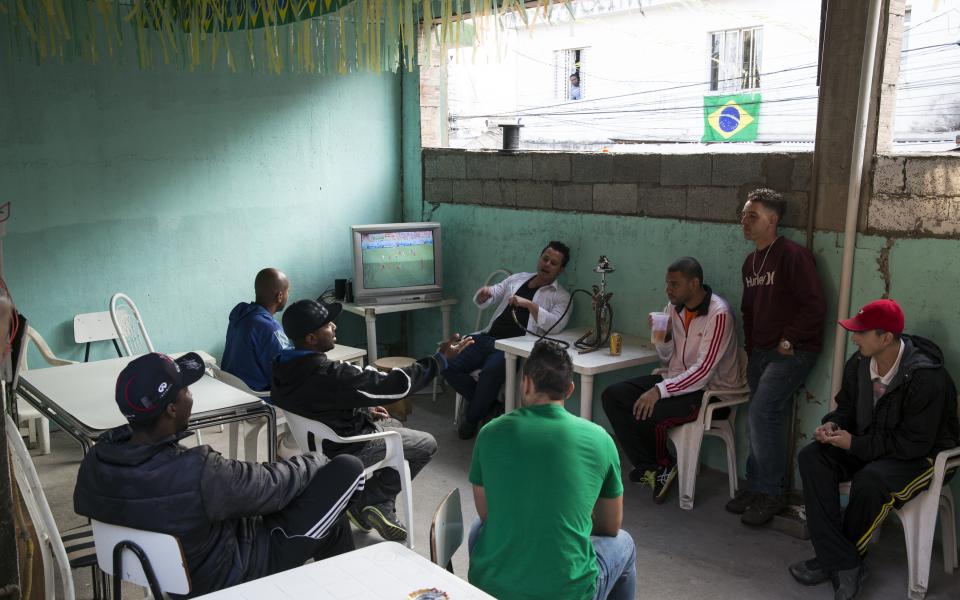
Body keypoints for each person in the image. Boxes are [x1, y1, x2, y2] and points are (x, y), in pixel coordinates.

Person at [74, 352, 365, 597]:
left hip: (173, 577)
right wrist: (316, 459)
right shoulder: (196, 472)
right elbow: (273, 485)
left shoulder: (96, 462)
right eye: (186, 390)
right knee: (347, 469)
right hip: (233, 576)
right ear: (172, 409)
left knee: (332, 523)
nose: (191, 395)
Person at [790, 299, 958, 600]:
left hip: (924, 457)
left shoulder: (927, 377)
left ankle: (835, 562)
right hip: (872, 444)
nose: (854, 338)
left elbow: (913, 444)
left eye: (861, 332)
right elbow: (847, 410)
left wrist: (855, 444)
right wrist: (831, 426)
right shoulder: (858, 364)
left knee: (871, 481)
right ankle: (843, 563)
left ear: (886, 338)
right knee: (812, 457)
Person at [271, 298, 473, 542]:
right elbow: (393, 385)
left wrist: (363, 411)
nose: (334, 326)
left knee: (395, 425)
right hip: (346, 449)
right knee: (426, 444)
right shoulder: (332, 375)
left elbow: (320, 403)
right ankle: (375, 499)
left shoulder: (283, 366)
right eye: (327, 324)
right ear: (311, 339)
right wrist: (439, 360)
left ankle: (372, 500)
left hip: (316, 443)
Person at [468, 340, 636, 600]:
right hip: (568, 592)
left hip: (493, 588)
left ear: (525, 382)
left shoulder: (490, 433)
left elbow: (488, 513)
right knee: (624, 542)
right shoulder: (600, 439)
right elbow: (609, 527)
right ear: (569, 389)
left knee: (479, 528)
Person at [601, 257, 744, 503]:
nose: (668, 290)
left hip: (714, 393)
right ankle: (651, 468)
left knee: (651, 408)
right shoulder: (672, 308)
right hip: (678, 381)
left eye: (674, 284)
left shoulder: (719, 314)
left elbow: (703, 371)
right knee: (614, 396)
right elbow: (668, 360)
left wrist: (659, 390)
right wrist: (665, 338)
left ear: (694, 283)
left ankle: (664, 464)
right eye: (667, 284)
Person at [728, 187, 826, 526]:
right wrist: (753, 347)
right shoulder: (750, 262)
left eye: (752, 216)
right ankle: (756, 486)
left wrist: (789, 340)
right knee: (761, 418)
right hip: (762, 352)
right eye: (744, 215)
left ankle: (771, 493)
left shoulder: (792, 255)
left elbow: (815, 306)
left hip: (793, 352)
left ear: (774, 220)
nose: (745, 221)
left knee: (761, 412)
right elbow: (749, 310)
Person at [443, 241, 573, 440]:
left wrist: (530, 305)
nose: (546, 264)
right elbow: (489, 296)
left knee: (490, 373)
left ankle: (470, 420)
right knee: (445, 363)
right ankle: (491, 406)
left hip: (512, 347)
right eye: (545, 258)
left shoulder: (561, 296)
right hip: (487, 338)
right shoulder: (518, 279)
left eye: (553, 263)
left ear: (561, 269)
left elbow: (556, 324)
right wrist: (484, 294)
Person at [221, 267, 292, 393]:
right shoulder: (269, 328)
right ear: (280, 296)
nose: (288, 295)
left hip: (232, 389)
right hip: (257, 396)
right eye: (288, 291)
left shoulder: (240, 314)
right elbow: (286, 371)